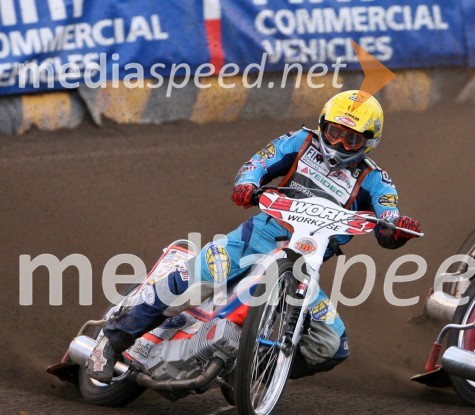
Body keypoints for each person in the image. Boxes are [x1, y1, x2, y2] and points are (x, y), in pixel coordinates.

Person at [87, 90, 421, 384]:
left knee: (331, 344)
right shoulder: (299, 142)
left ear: (369, 141)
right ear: (322, 125)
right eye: (333, 132)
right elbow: (259, 163)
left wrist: (395, 230)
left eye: (350, 139)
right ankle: (111, 341)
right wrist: (246, 185)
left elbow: (387, 221)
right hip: (253, 240)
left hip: (304, 267)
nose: (337, 144)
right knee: (194, 279)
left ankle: (250, 370)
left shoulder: (377, 180)